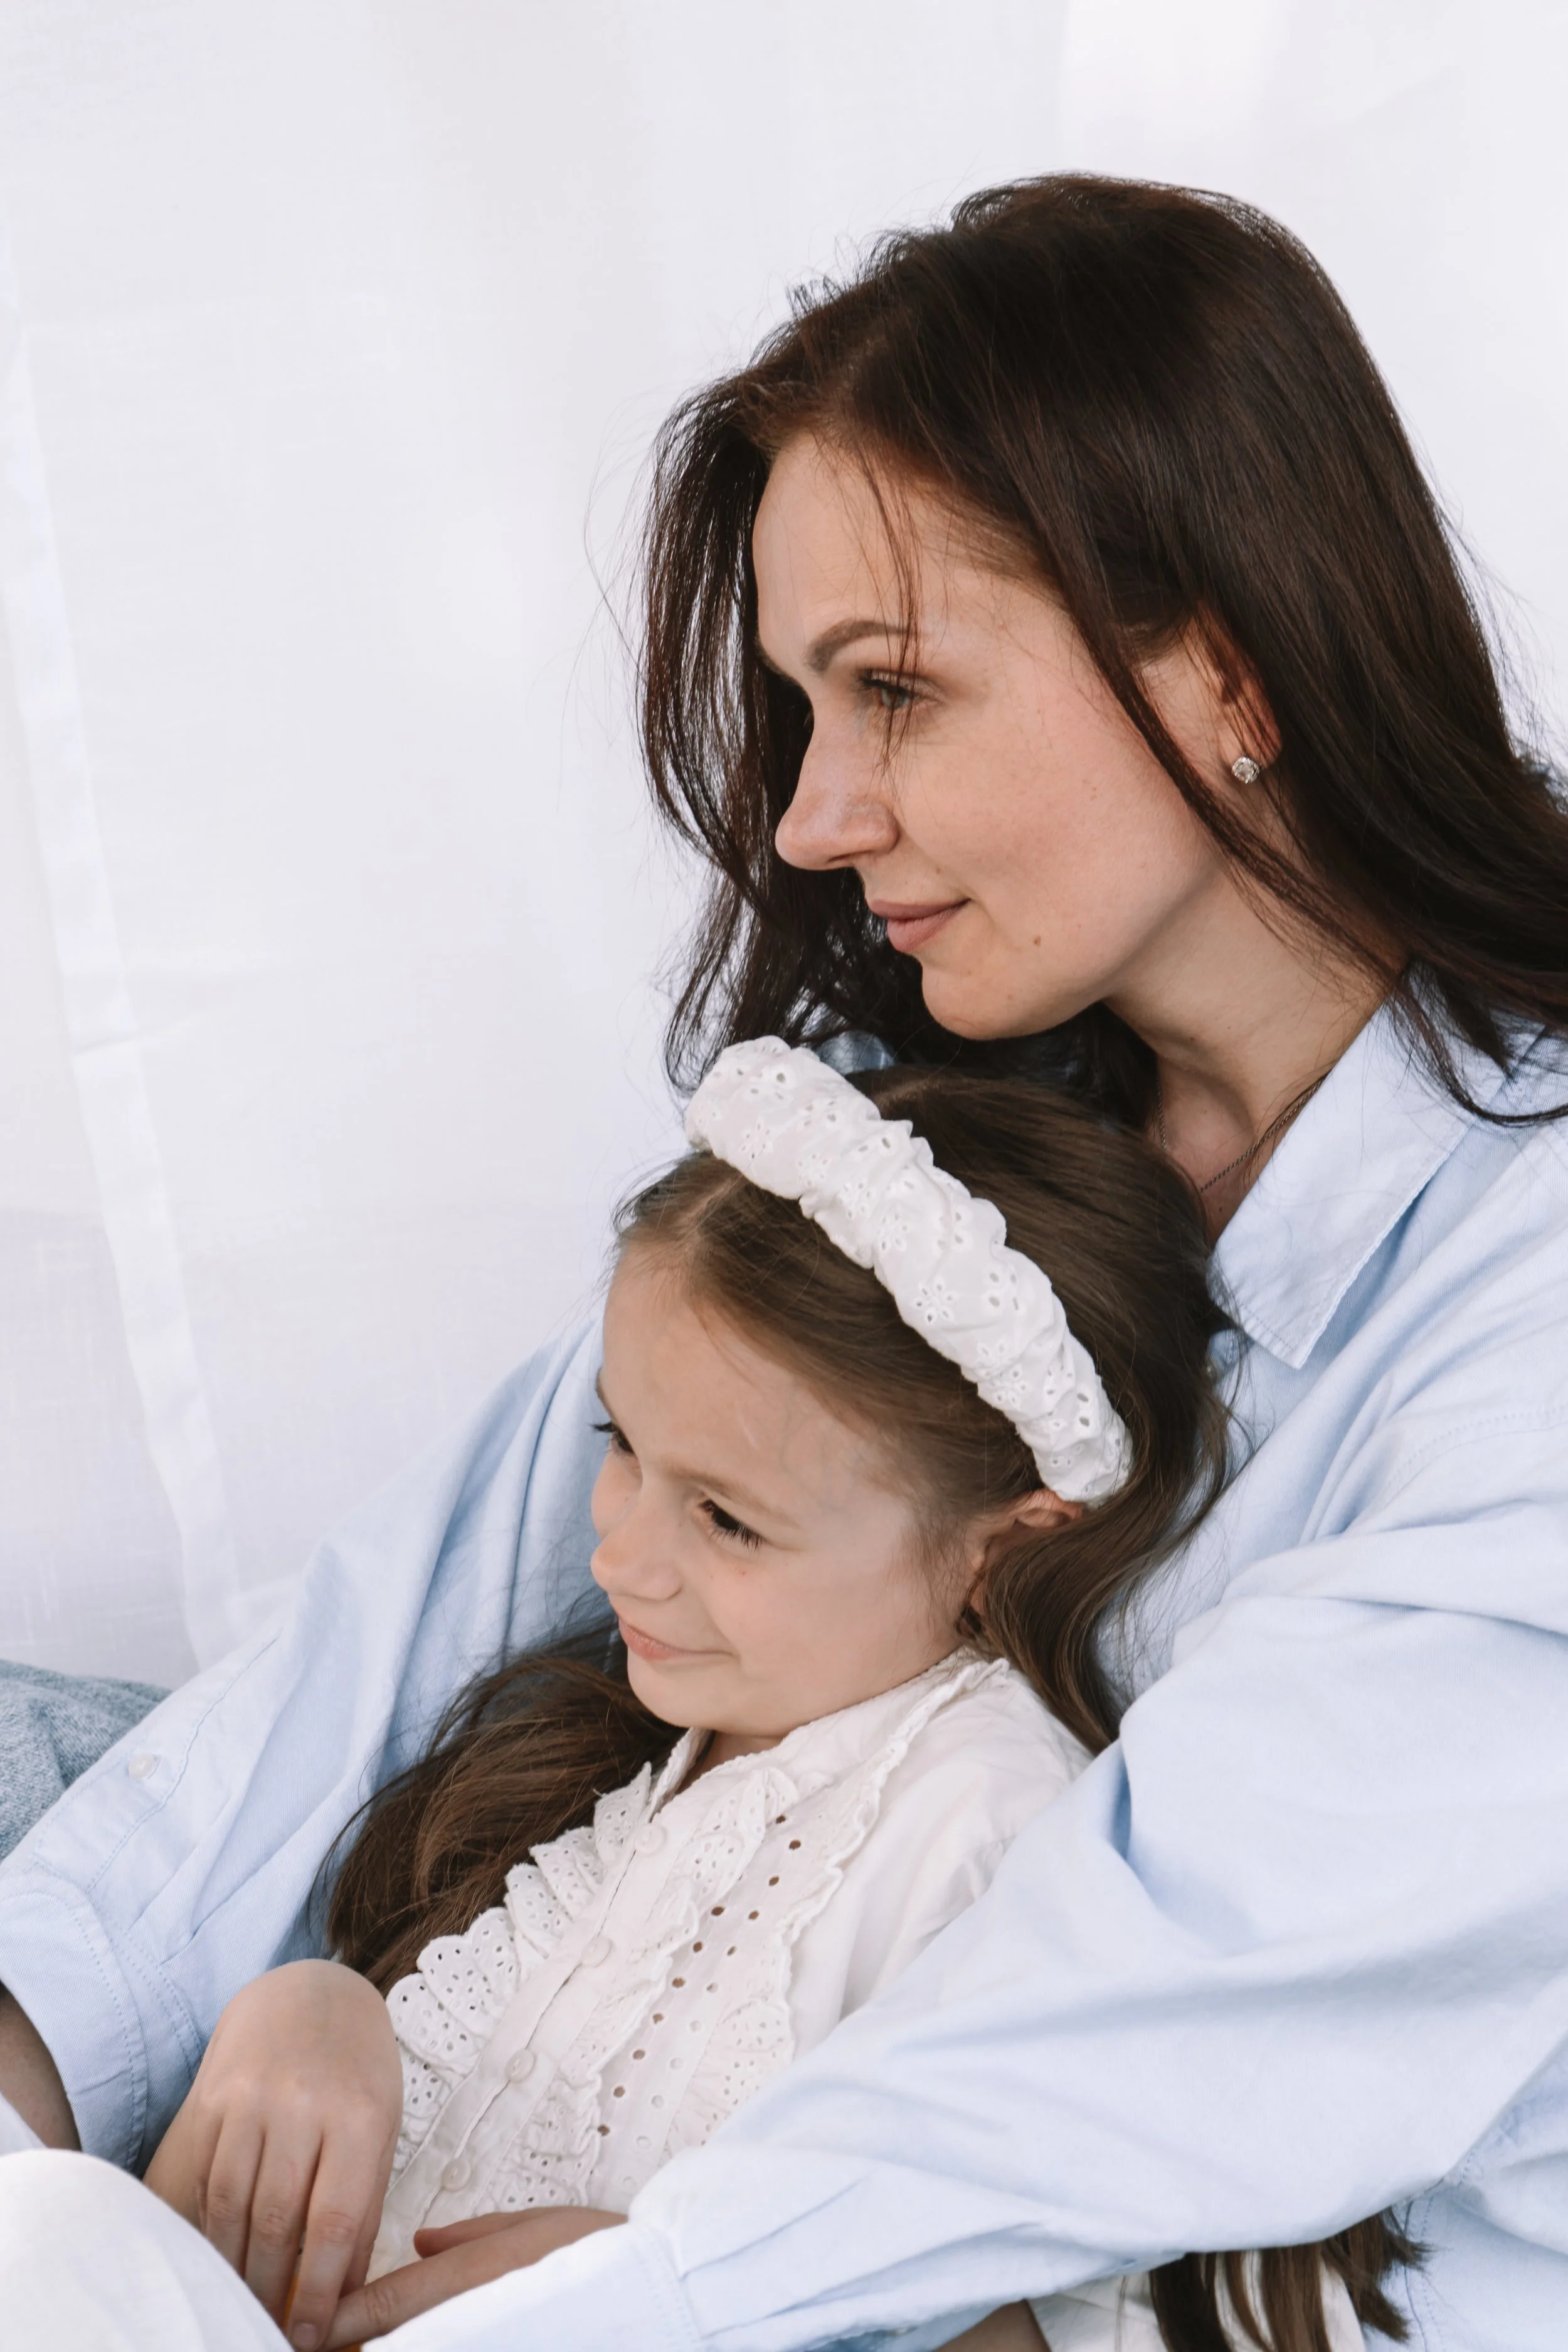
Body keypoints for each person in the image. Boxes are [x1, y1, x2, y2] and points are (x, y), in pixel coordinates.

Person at [3, 171, 1568, 2351]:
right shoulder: (921, 1092)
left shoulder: (1525, 1299)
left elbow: (1139, 2029)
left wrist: (656, 2265)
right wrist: (74, 2050)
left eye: (896, 692)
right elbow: (433, 1606)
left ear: (1224, 661)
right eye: (800, 709)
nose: (817, 816)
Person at [3, 1046, 1372, 2352]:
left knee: (45, 2231)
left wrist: (637, 2290)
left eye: (724, 1519)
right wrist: (306, 2011)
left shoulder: (983, 1818)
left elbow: (1043, 2300)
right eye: (621, 1446)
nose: (618, 1556)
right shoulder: (593, 1777)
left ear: (999, 1543)